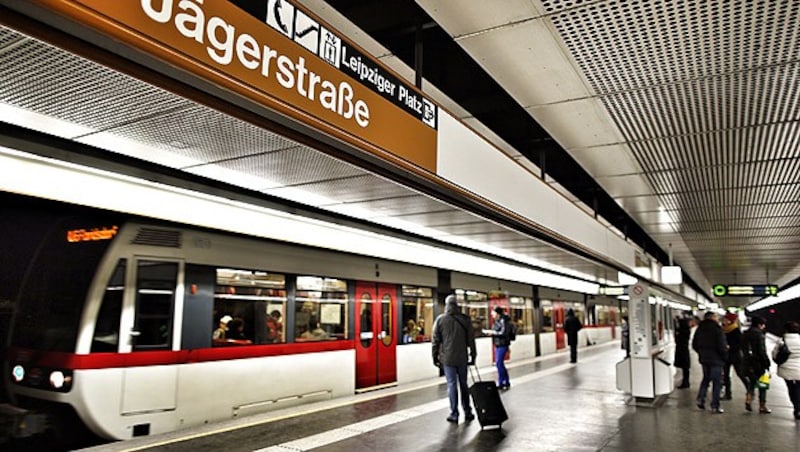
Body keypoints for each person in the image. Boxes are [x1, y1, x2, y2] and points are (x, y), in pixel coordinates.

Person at [432, 294, 477, 423]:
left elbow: (435, 341)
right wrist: (473, 355)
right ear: (457, 305)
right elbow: (471, 340)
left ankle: (454, 414)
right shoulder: (465, 319)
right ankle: (468, 412)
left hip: (448, 359)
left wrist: (434, 356)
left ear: (446, 305)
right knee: (464, 384)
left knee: (452, 385)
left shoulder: (440, 320)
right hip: (462, 358)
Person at [692, 311, 728, 413]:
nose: (717, 319)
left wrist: (701, 353)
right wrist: (725, 357)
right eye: (716, 317)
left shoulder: (700, 329)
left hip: (704, 359)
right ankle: (715, 406)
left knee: (706, 379)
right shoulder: (717, 330)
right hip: (716, 360)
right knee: (717, 383)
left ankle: (700, 399)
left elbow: (694, 344)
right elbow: (722, 347)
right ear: (712, 318)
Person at [741, 316, 771, 413]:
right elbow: (761, 351)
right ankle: (762, 406)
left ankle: (748, 400)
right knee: (763, 384)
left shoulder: (745, 334)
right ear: (759, 325)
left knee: (752, 383)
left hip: (748, 362)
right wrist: (767, 363)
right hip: (759, 363)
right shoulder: (759, 335)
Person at [772, 321, 800, 420]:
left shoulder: (782, 341)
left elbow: (775, 355)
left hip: (787, 369)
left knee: (792, 389)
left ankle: (797, 408)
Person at [483, 306, 511, 390]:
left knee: (499, 363)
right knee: (500, 363)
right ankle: (506, 381)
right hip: (498, 344)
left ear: (497, 313)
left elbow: (503, 332)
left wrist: (492, 332)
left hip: (502, 344)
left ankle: (501, 382)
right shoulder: (497, 321)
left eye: (493, 312)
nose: (491, 313)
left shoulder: (503, 320)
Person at [721, 312, 746, 400]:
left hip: (735, 356)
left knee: (740, 373)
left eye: (725, 319)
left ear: (730, 321)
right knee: (726, 376)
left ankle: (749, 388)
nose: (723, 321)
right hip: (726, 356)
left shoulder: (736, 331)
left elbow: (739, 344)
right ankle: (728, 394)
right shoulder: (723, 329)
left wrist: (730, 346)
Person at [674, 315, 692, 388]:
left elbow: (677, 340)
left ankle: (685, 382)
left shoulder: (680, 331)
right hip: (685, 351)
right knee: (686, 368)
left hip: (681, 351)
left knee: (684, 368)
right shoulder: (686, 331)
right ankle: (686, 381)